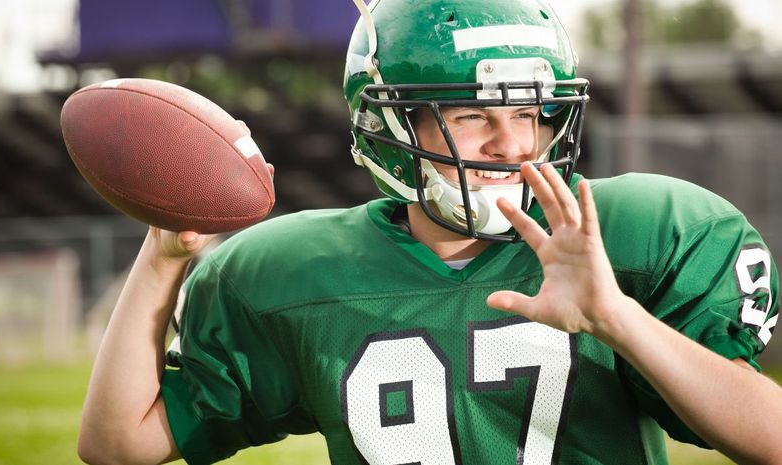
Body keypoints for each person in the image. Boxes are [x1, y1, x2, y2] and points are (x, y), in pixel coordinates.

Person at [78, 0, 782, 464]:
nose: (515, 143)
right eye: (473, 115)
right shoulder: (291, 271)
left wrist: (619, 319)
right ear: (390, 130)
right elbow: (114, 443)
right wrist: (164, 253)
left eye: (533, 112)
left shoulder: (639, 236)